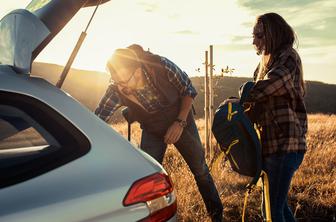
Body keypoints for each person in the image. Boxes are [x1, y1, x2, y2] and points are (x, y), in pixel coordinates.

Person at [95, 44, 223, 221]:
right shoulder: (116, 89)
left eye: (124, 81)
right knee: (147, 178)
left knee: (200, 170)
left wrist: (179, 123)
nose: (122, 87)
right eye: (117, 82)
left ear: (138, 70)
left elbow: (188, 90)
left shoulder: (162, 66)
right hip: (152, 128)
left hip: (180, 119)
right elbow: (98, 119)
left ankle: (217, 216)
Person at [246, 13, 308, 222]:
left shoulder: (288, 57)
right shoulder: (265, 63)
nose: (254, 40)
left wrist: (243, 97)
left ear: (272, 34)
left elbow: (274, 82)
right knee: (278, 208)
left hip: (286, 144)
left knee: (272, 211)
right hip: (271, 146)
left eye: (259, 35)